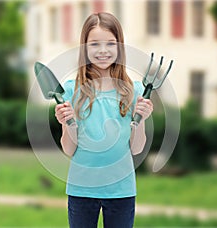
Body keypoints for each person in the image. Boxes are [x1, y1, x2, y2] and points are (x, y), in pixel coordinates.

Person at [55, 12, 153, 228]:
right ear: (85, 48)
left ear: (120, 48)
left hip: (121, 190)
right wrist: (66, 121)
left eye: (110, 43)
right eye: (95, 44)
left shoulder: (134, 91)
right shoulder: (71, 90)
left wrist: (141, 118)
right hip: (81, 189)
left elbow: (136, 149)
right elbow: (69, 149)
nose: (102, 51)